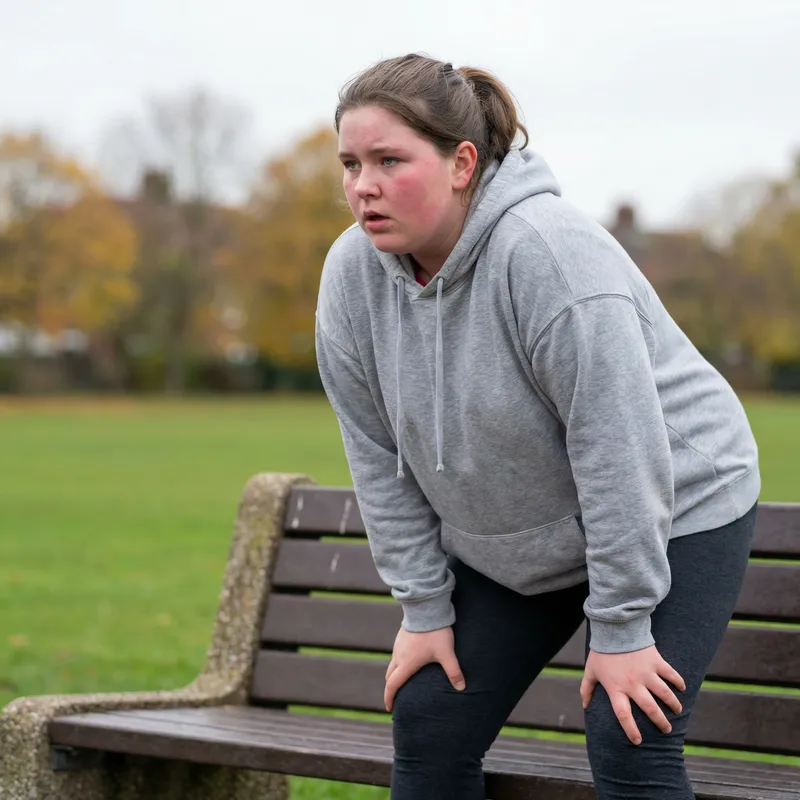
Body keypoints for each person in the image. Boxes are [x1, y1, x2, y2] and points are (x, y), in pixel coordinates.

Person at [315, 53, 760, 800]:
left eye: (390, 160)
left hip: (676, 502)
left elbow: (618, 449)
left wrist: (621, 627)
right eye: (351, 163)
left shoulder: (549, 254)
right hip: (526, 534)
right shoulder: (351, 277)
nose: (364, 186)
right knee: (429, 719)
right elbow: (375, 455)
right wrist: (424, 610)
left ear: (462, 163)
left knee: (629, 729)